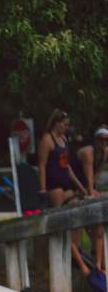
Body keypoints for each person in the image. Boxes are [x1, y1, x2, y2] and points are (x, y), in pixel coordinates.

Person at [69, 126, 107, 274]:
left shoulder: (104, 153)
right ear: (95, 140)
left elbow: (96, 175)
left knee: (98, 228)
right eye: (101, 139)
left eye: (106, 140)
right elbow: (89, 176)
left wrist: (93, 191)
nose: (103, 142)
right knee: (77, 225)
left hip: (85, 188)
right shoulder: (88, 152)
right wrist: (89, 192)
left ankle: (99, 263)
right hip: (73, 187)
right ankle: (79, 261)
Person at [38, 109, 85, 207]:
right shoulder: (47, 139)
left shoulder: (64, 138)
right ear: (56, 123)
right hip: (54, 185)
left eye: (68, 125)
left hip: (66, 183)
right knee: (58, 215)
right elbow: (42, 165)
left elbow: (67, 166)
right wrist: (42, 189)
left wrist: (80, 187)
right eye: (65, 124)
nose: (67, 127)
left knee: (76, 207)